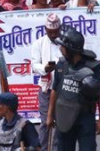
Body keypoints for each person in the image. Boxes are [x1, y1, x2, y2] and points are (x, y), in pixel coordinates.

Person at [46, 26, 100, 151]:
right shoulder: (61, 64)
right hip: (64, 117)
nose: (60, 48)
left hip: (85, 119)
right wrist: (50, 115)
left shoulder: (92, 66)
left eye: (63, 46)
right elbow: (55, 90)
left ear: (71, 49)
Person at [31, 13, 63, 148]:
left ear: (60, 29)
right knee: (45, 123)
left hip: (63, 89)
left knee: (61, 123)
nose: (54, 35)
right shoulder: (39, 43)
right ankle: (43, 149)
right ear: (45, 30)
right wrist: (45, 68)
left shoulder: (66, 42)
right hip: (46, 89)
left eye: (56, 32)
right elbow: (34, 65)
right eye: (50, 32)